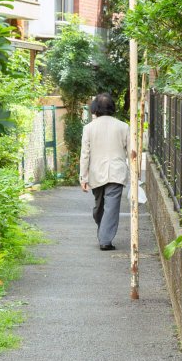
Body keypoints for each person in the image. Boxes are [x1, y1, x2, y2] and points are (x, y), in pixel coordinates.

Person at [79, 92, 130, 251]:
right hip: (116, 172)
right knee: (102, 208)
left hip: (98, 173)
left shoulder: (89, 128)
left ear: (95, 108)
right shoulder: (123, 126)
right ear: (112, 108)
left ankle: (105, 240)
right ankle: (104, 231)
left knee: (107, 207)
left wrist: (83, 177)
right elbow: (131, 152)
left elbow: (85, 154)